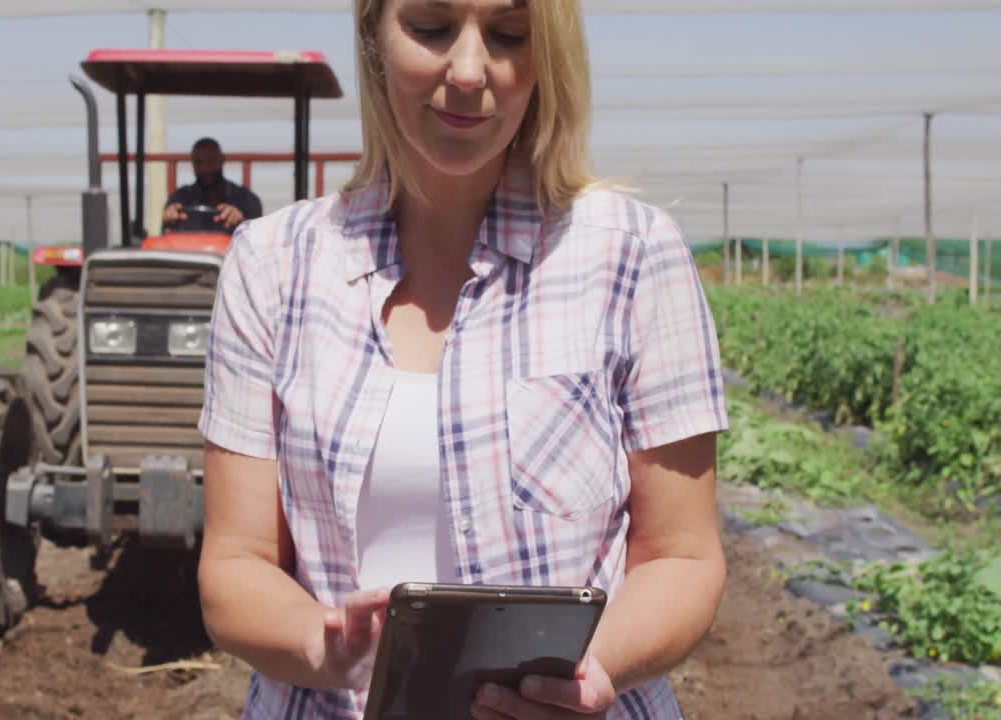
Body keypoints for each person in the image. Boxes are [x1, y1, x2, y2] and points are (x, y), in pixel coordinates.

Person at [196, 1, 729, 718]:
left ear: (548, 59)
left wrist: (587, 674)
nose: (470, 71)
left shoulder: (631, 257)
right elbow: (236, 565)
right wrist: (331, 647)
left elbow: (683, 557)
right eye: (431, 27)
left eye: (509, 36)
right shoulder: (272, 268)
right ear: (373, 37)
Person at [163, 137, 263, 233]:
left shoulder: (247, 200)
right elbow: (165, 236)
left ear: (222, 160)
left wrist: (242, 223)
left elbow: (258, 242)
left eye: (211, 161)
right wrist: (169, 220)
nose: (205, 168)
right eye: (199, 162)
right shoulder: (179, 198)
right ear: (192, 164)